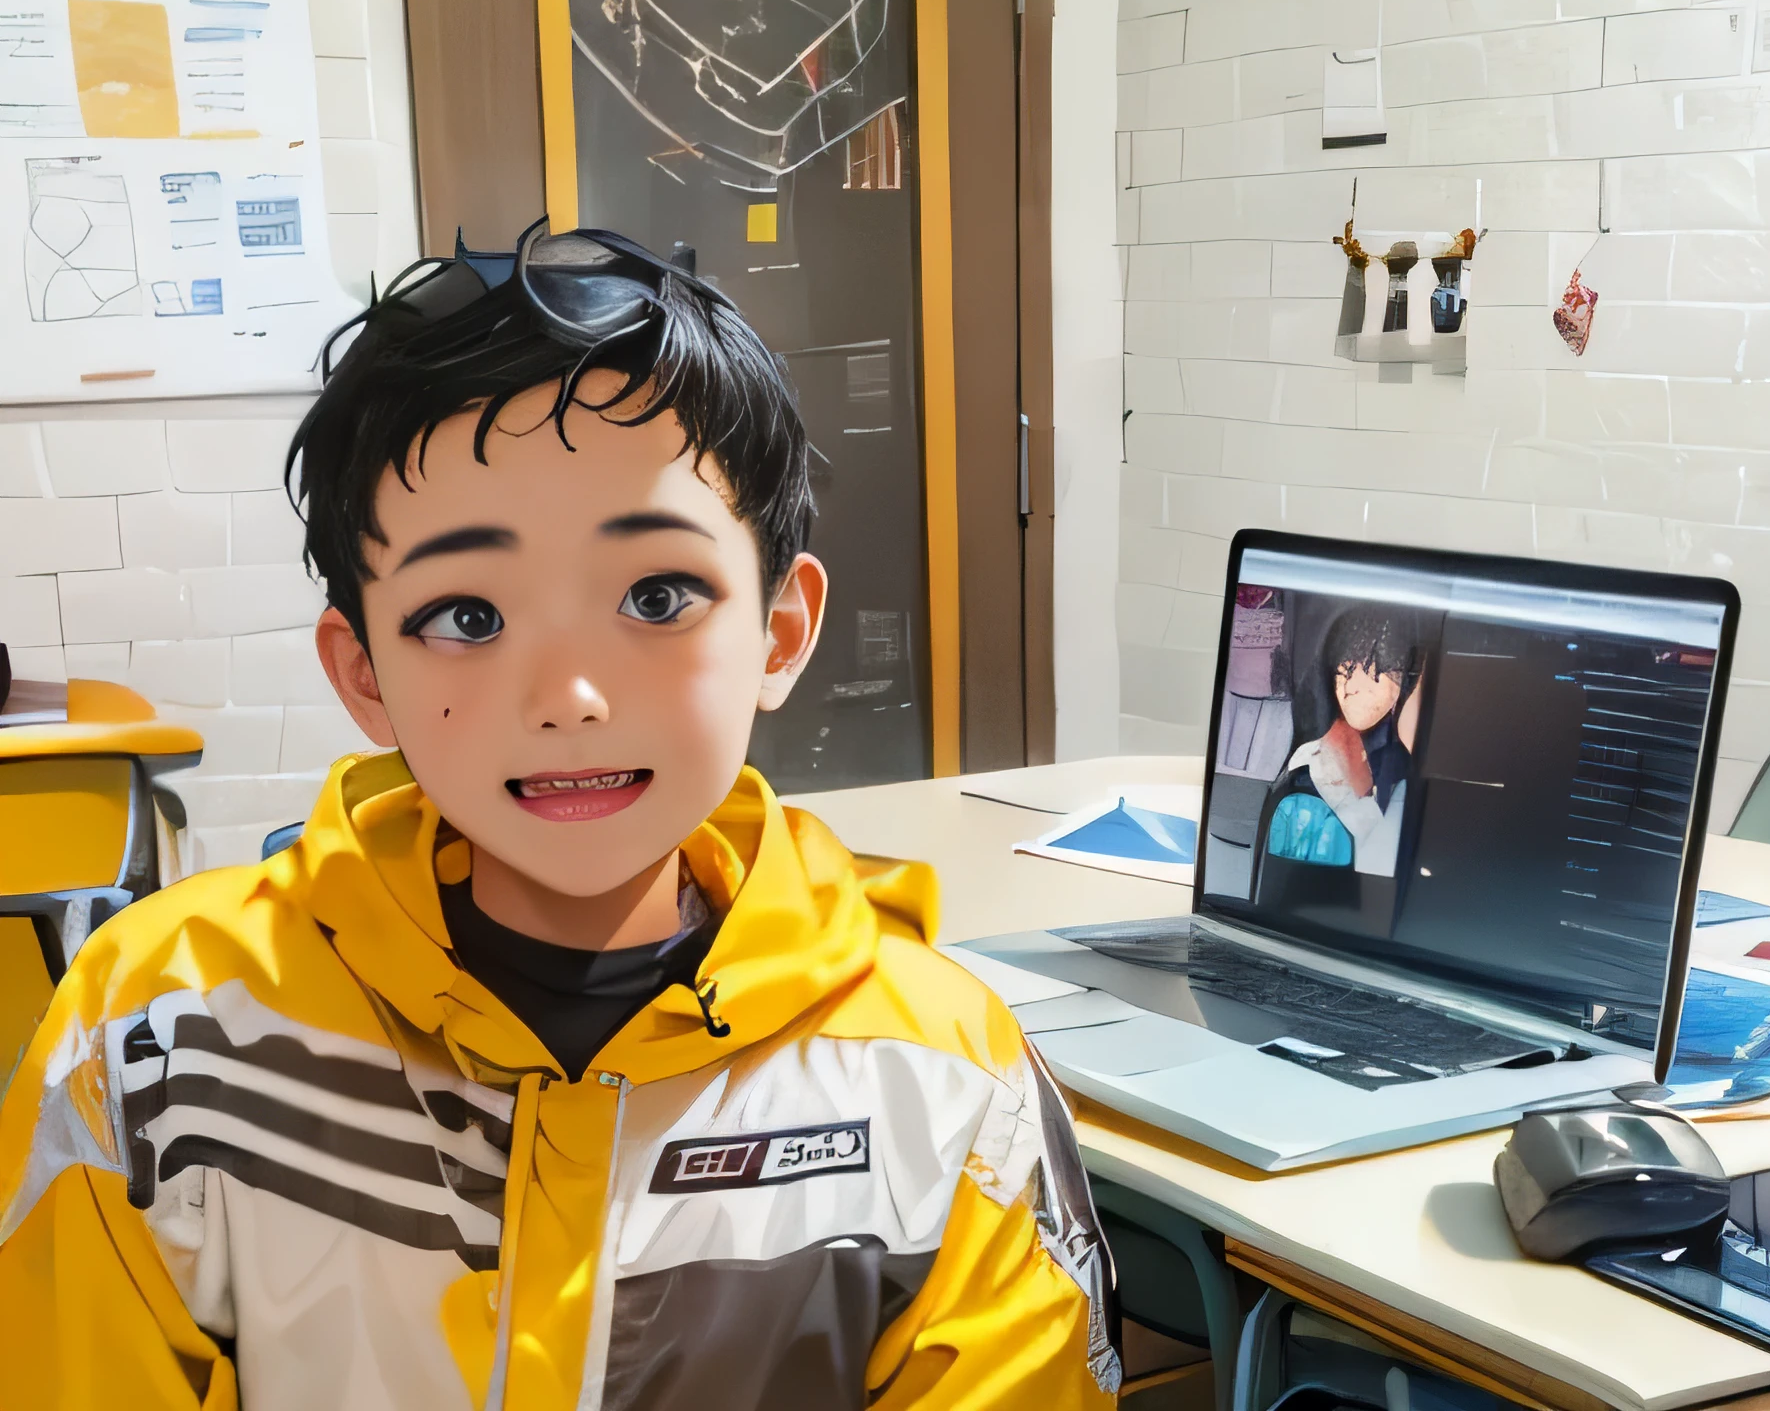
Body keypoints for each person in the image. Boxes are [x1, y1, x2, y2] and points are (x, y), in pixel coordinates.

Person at [0, 226, 1119, 1410]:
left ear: (781, 631)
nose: (570, 700)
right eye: (465, 617)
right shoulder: (159, 1040)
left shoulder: (935, 1076)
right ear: (363, 672)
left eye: (657, 595)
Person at [1268, 606, 1428, 877]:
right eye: (1345, 668)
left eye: (1375, 671)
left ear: (1405, 681)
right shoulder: (1305, 776)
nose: (1352, 685)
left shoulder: (1399, 765)